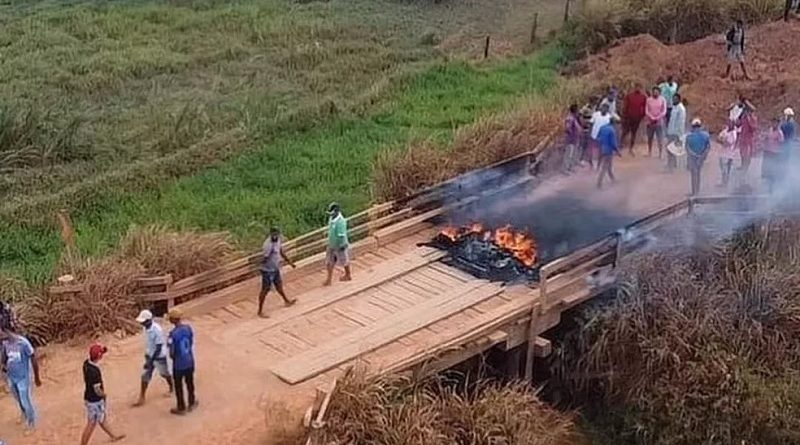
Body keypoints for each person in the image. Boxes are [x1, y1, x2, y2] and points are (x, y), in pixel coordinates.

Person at [81, 344, 125, 445]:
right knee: (91, 423)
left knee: (101, 419)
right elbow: (97, 389)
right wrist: (104, 395)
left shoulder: (86, 364)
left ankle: (113, 436)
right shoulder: (95, 372)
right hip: (95, 400)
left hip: (88, 397)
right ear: (99, 356)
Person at [0, 329, 41, 430]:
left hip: (23, 377)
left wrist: (36, 377)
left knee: (25, 400)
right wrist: (4, 367)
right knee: (18, 398)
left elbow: (33, 358)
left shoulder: (23, 343)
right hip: (11, 376)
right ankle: (25, 414)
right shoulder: (5, 342)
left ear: (6, 331)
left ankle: (31, 423)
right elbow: (4, 358)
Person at [133, 309, 173, 407]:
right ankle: (142, 397)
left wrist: (151, 361)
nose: (142, 323)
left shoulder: (157, 330)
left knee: (164, 374)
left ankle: (172, 387)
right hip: (150, 354)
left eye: (143, 321)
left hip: (159, 356)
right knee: (145, 376)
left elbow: (159, 347)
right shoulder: (145, 328)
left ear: (149, 320)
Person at [257, 227, 297, 317]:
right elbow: (265, 258)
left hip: (275, 268)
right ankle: (260, 311)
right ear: (270, 234)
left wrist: (290, 262)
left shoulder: (278, 240)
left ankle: (286, 301)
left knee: (279, 285)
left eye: (277, 234)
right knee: (265, 290)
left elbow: (281, 252)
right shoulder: (267, 245)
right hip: (267, 270)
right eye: (274, 234)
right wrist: (260, 266)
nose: (275, 236)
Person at [167, 308, 197, 415]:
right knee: (190, 383)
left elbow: (171, 353)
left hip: (179, 365)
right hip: (189, 361)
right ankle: (192, 402)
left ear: (172, 320)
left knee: (179, 386)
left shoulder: (172, 334)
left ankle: (181, 407)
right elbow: (191, 341)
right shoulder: (188, 328)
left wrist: (174, 357)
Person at [324, 203, 352, 286]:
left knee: (344, 260)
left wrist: (341, 245)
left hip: (340, 245)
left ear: (336, 211)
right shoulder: (331, 218)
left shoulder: (341, 221)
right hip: (331, 244)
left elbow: (341, 235)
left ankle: (348, 274)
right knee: (329, 261)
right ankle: (328, 279)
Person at [685, 118, 712, 196]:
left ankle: (695, 192)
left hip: (693, 158)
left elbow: (687, 148)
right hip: (701, 158)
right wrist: (702, 156)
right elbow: (708, 147)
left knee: (694, 174)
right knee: (698, 174)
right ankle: (697, 191)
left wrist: (693, 155)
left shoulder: (689, 136)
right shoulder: (705, 135)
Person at [621, 84, 647, 155]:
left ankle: (631, 148)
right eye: (636, 87)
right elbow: (625, 106)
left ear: (641, 88)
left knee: (634, 133)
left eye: (639, 87)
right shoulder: (629, 96)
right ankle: (620, 146)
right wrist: (624, 116)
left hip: (637, 118)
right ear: (634, 88)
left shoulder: (643, 97)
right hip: (628, 118)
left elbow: (644, 107)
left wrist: (642, 116)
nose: (637, 89)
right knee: (625, 132)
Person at [596, 122, 621, 189]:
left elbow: (598, 137)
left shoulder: (602, 127)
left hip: (601, 148)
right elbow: (613, 143)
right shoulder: (612, 130)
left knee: (608, 166)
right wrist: (617, 151)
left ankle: (612, 179)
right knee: (605, 166)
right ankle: (599, 182)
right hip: (608, 150)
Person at [762, 118, 785, 193]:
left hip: (775, 153)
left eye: (775, 123)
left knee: (774, 171)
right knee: (767, 171)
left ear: (778, 124)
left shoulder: (779, 133)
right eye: (773, 123)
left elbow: (781, 143)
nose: (773, 124)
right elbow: (766, 138)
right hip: (768, 152)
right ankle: (768, 187)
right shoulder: (770, 130)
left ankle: (773, 188)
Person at [665, 93, 687, 172]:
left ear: (679, 99)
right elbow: (671, 121)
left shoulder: (681, 109)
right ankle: (673, 165)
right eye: (673, 98)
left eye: (675, 99)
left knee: (670, 150)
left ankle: (671, 167)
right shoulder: (675, 108)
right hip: (671, 132)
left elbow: (681, 123)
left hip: (676, 133)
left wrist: (679, 135)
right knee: (672, 150)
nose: (673, 100)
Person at [590, 102, 613, 169]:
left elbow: (610, 128)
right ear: (601, 108)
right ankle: (592, 164)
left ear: (607, 109)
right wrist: (590, 133)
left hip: (603, 138)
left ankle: (598, 166)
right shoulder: (595, 115)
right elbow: (591, 124)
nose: (604, 109)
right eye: (603, 108)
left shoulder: (609, 117)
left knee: (600, 152)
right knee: (593, 151)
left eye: (606, 108)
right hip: (594, 135)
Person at [645, 86, 667, 157]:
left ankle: (660, 153)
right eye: (654, 92)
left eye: (657, 92)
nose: (655, 93)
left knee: (659, 138)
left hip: (659, 122)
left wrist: (657, 118)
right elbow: (646, 110)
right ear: (652, 92)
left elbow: (664, 111)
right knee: (649, 138)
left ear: (659, 92)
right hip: (650, 121)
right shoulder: (648, 100)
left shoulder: (662, 100)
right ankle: (649, 152)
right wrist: (651, 117)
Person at [717, 120, 739, 188]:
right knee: (724, 169)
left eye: (731, 124)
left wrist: (722, 140)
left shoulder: (733, 133)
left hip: (729, 154)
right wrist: (722, 140)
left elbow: (728, 143)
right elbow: (718, 138)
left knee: (726, 169)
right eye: (728, 124)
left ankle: (725, 183)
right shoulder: (725, 130)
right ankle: (724, 182)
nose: (729, 125)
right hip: (723, 153)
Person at [738, 106, 758, 173]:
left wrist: (749, 119)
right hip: (743, 139)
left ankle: (745, 169)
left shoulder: (753, 119)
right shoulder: (743, 118)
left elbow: (753, 128)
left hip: (749, 140)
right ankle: (742, 166)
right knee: (742, 154)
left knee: (747, 155)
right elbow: (738, 124)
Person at [563, 104, 582, 173]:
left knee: (572, 154)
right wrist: (572, 134)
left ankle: (570, 168)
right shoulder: (570, 118)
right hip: (570, 140)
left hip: (574, 139)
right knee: (568, 154)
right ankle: (565, 169)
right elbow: (567, 128)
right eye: (577, 110)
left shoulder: (573, 118)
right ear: (575, 111)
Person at [579, 97, 597, 167]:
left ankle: (590, 159)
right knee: (585, 144)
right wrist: (582, 123)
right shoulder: (585, 108)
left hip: (592, 128)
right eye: (594, 101)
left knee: (591, 145)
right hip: (585, 128)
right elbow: (580, 115)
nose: (595, 102)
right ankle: (581, 159)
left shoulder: (595, 107)